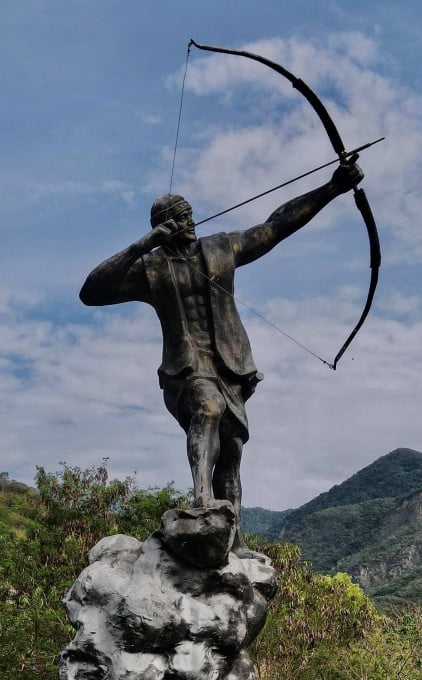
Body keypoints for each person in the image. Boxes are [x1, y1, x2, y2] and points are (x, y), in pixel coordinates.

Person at [80, 162, 364, 551]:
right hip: (185, 370)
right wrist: (141, 245)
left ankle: (235, 538)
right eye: (181, 219)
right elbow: (91, 291)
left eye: (190, 215)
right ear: (163, 226)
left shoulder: (219, 248)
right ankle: (201, 500)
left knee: (231, 452)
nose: (190, 223)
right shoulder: (150, 268)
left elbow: (274, 227)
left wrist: (331, 188)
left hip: (228, 366)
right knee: (207, 408)